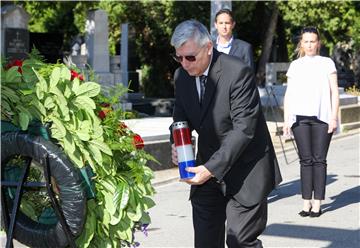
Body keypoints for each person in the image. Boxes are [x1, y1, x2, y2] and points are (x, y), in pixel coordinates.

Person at [170, 19, 282, 248]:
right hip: (207, 168)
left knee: (240, 240)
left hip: (246, 169)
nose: (184, 64)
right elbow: (180, 119)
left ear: (208, 48)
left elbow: (244, 129)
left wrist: (210, 168)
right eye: (178, 58)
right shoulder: (181, 77)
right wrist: (178, 145)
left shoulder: (237, 72)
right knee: (205, 241)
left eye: (190, 57)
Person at [283, 27, 339, 218]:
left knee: (319, 160)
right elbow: (289, 94)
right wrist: (286, 120)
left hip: (322, 118)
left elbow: (334, 92)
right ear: (301, 43)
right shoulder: (295, 65)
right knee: (305, 161)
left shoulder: (327, 63)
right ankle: (306, 202)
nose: (309, 45)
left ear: (318, 43)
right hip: (299, 119)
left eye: (312, 41)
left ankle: (317, 204)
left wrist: (334, 117)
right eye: (305, 41)